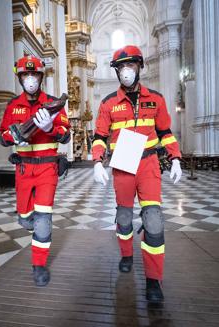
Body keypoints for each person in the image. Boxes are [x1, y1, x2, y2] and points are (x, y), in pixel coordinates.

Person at [92, 45, 182, 302]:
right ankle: (126, 254)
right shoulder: (108, 102)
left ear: (139, 67)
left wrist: (175, 158)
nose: (126, 71)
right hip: (122, 164)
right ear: (116, 71)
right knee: (123, 216)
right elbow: (99, 136)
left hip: (148, 163)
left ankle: (154, 280)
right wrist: (97, 161)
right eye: (121, 67)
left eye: (130, 66)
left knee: (153, 219)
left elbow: (165, 133)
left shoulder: (156, 98)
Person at [0, 55, 70, 287]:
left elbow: (65, 134)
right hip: (23, 168)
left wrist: (50, 128)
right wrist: (13, 137)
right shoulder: (12, 105)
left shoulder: (53, 103)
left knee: (43, 218)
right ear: (20, 78)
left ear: (41, 77)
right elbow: (2, 136)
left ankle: (39, 265)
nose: (31, 79)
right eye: (26, 75)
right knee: (26, 218)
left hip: (47, 168)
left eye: (35, 74)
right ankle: (26, 218)